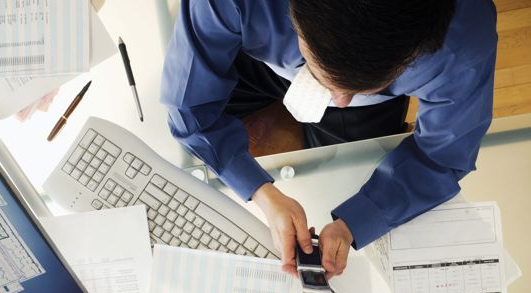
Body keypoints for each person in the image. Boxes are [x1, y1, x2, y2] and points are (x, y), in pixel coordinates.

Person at [160, 0, 497, 278]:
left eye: (357, 85)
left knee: (342, 173)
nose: (334, 99)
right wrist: (261, 192)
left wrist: (356, 221)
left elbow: (442, 155)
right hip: (251, 58)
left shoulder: (464, 41)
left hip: (367, 110)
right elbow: (190, 109)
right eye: (328, 77)